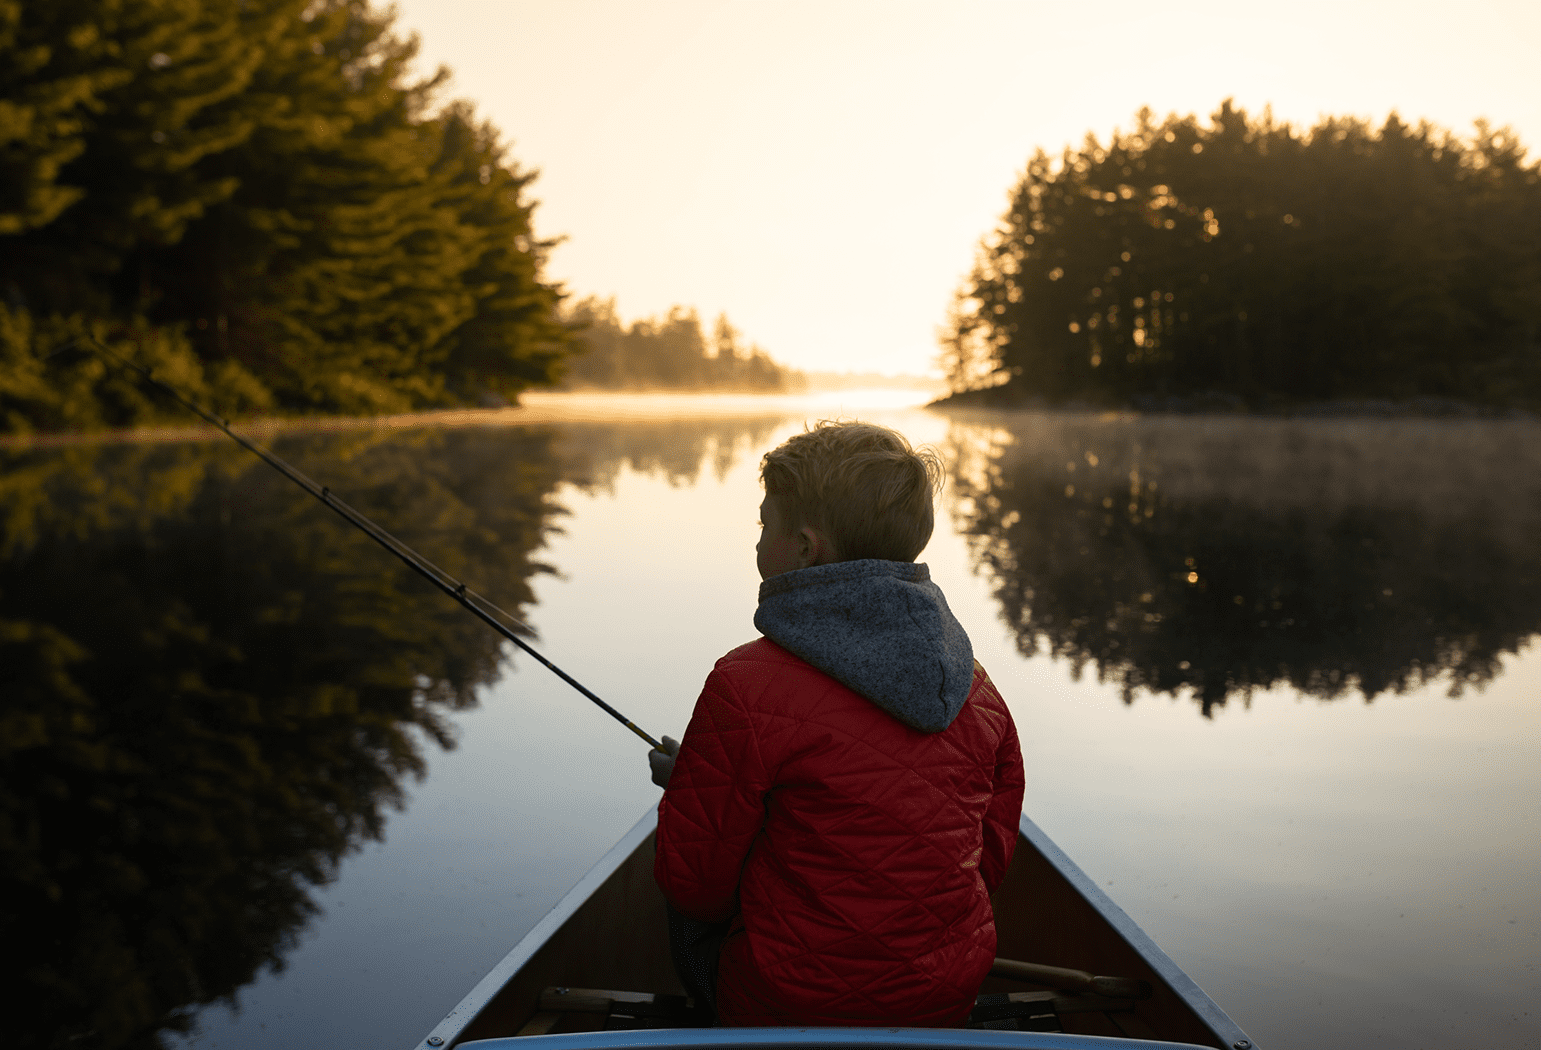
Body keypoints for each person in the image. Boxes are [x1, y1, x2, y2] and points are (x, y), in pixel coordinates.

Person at [649, 419, 1025, 1027]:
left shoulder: (745, 684)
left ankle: (713, 1023)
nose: (755, 544)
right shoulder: (977, 689)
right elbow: (991, 860)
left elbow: (695, 884)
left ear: (804, 546)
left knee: (683, 881)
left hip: (783, 1003)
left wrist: (688, 789)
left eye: (763, 525)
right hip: (943, 995)